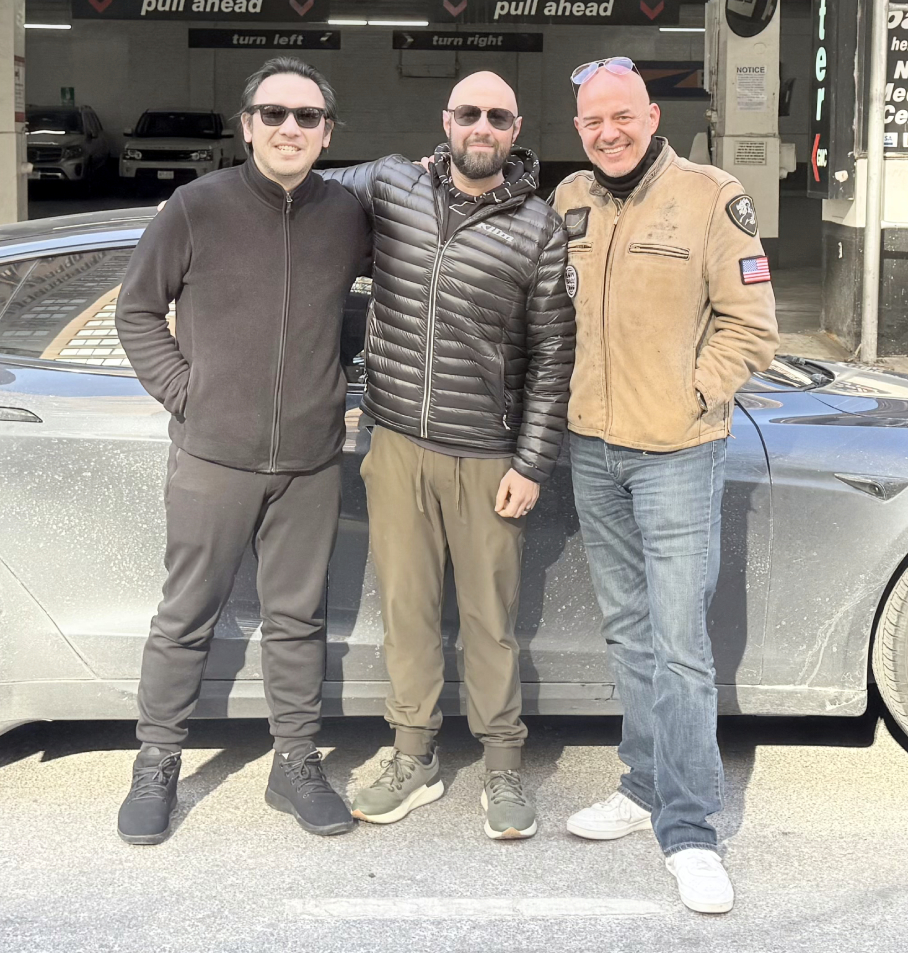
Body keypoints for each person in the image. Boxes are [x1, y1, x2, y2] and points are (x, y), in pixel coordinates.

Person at [112, 57, 371, 845]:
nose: (289, 128)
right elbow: (136, 314)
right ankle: (156, 763)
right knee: (185, 614)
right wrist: (192, 395)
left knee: (297, 621)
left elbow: (367, 311)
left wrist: (335, 372)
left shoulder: (349, 216)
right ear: (247, 123)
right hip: (211, 457)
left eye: (307, 117)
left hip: (308, 461)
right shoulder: (196, 207)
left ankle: (295, 765)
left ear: (328, 132)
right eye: (273, 114)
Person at [319, 72, 574, 840]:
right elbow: (304, 183)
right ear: (448, 121)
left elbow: (554, 354)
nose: (482, 126)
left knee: (490, 621)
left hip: (488, 456)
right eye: (470, 114)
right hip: (396, 443)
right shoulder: (394, 184)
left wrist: (530, 464)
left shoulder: (538, 228)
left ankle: (502, 767)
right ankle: (413, 756)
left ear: (515, 127)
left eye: (498, 115)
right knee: (408, 612)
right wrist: (208, 203)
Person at [551, 57, 778, 912]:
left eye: (621, 116)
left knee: (681, 646)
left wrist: (693, 392)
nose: (608, 132)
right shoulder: (569, 201)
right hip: (593, 450)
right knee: (629, 632)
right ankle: (643, 786)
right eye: (591, 122)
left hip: (677, 453)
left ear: (650, 115)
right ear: (579, 131)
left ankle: (691, 830)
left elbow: (751, 327)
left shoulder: (711, 197)